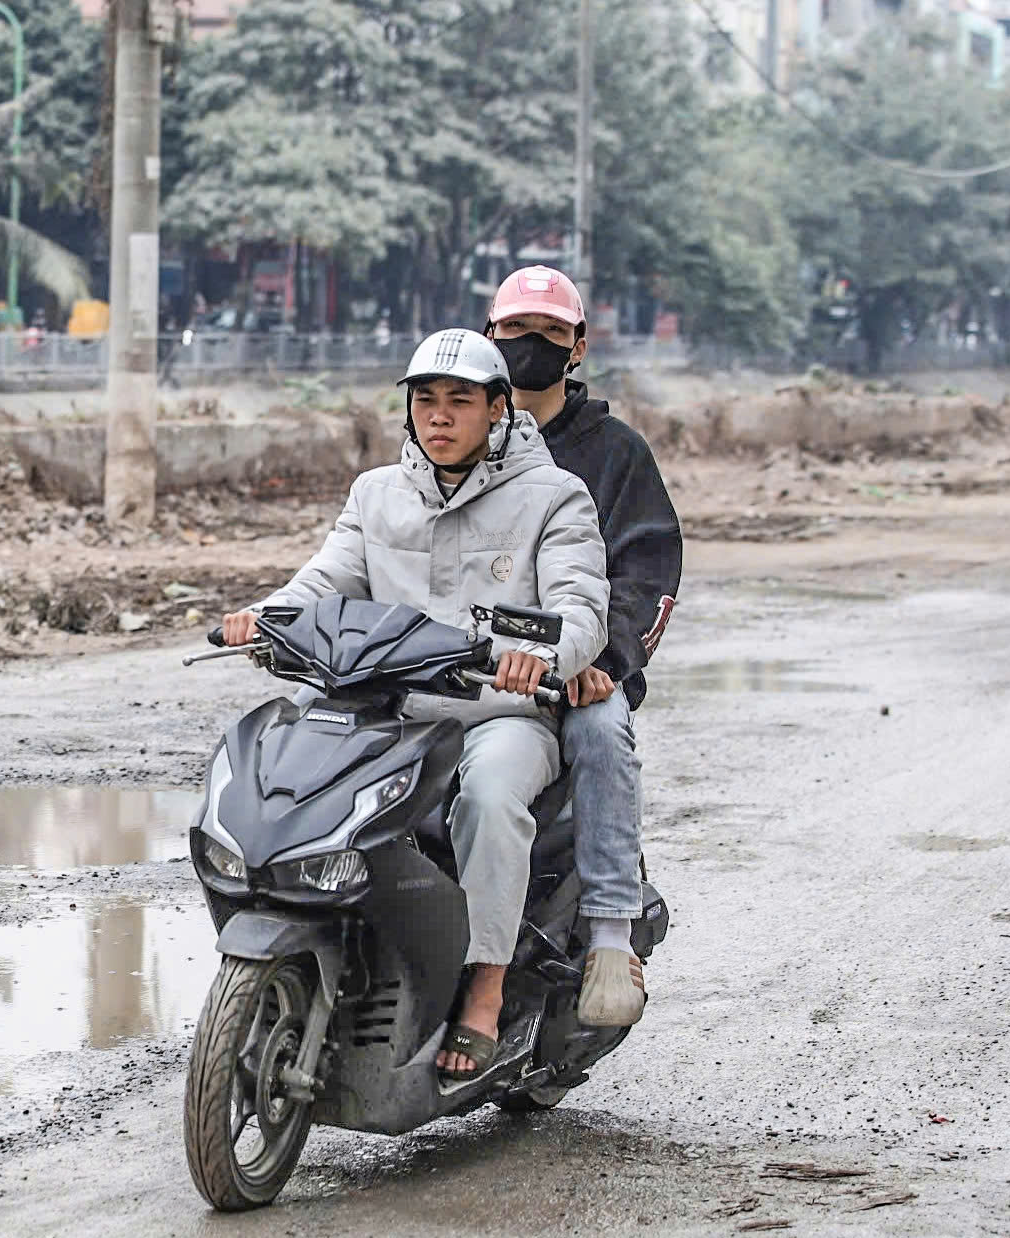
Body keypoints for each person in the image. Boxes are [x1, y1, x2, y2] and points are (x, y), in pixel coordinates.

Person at [220, 330, 607, 1085]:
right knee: (284, 747)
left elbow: (582, 606)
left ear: (498, 411)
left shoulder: (554, 495)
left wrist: (546, 654)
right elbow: (321, 581)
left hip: (498, 713)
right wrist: (263, 616)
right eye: (425, 401)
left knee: (491, 798)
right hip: (389, 707)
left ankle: (485, 988)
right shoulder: (377, 494)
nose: (439, 417)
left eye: (459, 401)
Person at [484, 266, 683, 1029]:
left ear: (577, 346)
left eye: (549, 334)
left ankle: (607, 933)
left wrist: (607, 664)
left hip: (575, 671)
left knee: (601, 734)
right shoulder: (468, 433)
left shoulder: (614, 454)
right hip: (472, 658)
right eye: (515, 332)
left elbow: (649, 573)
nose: (530, 346)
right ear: (489, 333)